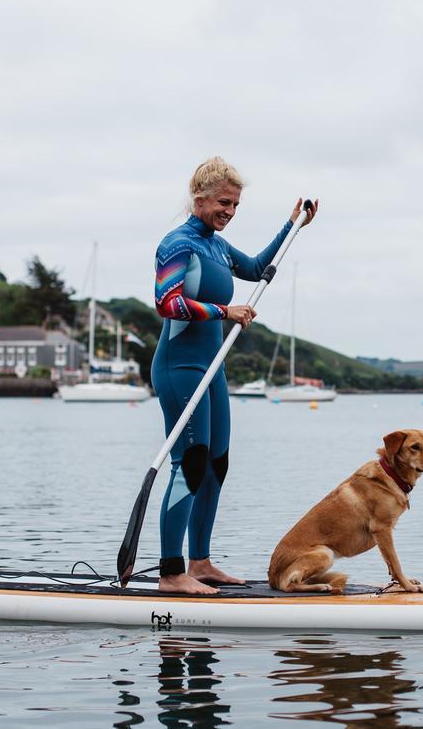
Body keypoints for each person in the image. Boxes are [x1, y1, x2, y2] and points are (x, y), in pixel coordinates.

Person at [152, 157, 318, 595]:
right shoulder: (178, 245)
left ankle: (200, 562)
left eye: (236, 205)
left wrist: (292, 226)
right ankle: (171, 573)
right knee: (189, 465)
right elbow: (166, 304)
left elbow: (258, 266)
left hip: (212, 369)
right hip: (179, 368)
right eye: (223, 202)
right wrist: (226, 311)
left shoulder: (218, 247)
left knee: (216, 465)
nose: (229, 210)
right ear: (199, 197)